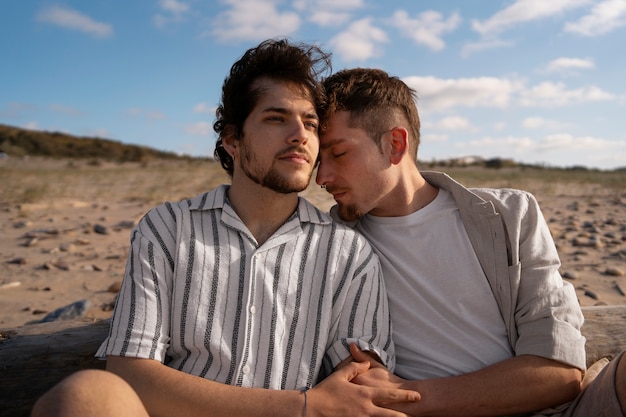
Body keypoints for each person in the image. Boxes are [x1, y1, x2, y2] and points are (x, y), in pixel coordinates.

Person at [31, 41, 419, 417]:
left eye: (311, 123)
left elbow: (361, 379)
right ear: (232, 141)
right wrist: (300, 407)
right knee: (86, 395)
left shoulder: (347, 252)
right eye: (276, 118)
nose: (300, 134)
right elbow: (130, 372)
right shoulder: (168, 228)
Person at [315, 67, 626, 416]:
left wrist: (412, 394)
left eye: (338, 153)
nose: (322, 177)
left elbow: (560, 372)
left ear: (395, 144)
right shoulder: (332, 244)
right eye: (318, 160)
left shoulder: (509, 215)